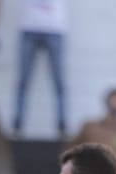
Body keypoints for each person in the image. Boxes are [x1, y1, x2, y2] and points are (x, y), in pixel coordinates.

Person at [11, 0, 69, 138]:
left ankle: (61, 124)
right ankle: (18, 124)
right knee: (23, 81)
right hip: (29, 28)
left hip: (55, 28)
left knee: (59, 81)